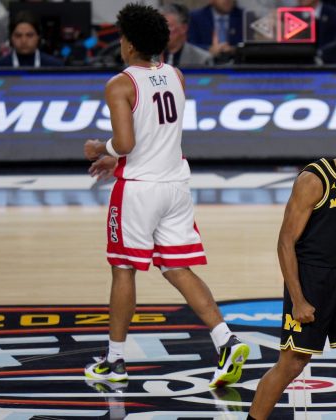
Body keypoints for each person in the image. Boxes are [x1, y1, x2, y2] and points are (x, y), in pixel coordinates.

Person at [82, 3, 249, 387]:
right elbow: (155, 133)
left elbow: (125, 143)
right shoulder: (176, 75)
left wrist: (99, 148)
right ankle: (225, 340)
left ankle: (115, 361)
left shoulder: (120, 84)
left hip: (139, 190)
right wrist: (116, 158)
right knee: (176, 267)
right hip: (175, 185)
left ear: (128, 43)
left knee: (123, 269)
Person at [248, 127, 336, 420]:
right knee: (292, 363)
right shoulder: (314, 180)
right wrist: (298, 299)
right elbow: (286, 242)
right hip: (311, 280)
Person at [0, 11, 64, 67]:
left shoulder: (55, 66)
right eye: (18, 36)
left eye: (29, 35)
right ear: (11, 38)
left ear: (38, 37)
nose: (24, 41)